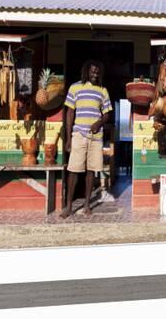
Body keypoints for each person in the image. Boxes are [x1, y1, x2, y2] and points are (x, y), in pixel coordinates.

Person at [60, 60, 112, 218]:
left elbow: (107, 113)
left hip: (96, 138)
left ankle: (87, 205)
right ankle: (69, 207)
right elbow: (69, 114)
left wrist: (99, 122)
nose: (95, 74)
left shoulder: (102, 90)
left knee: (91, 171)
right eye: (92, 71)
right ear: (86, 72)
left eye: (97, 72)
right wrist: (68, 138)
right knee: (73, 171)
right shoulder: (75, 87)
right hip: (78, 135)